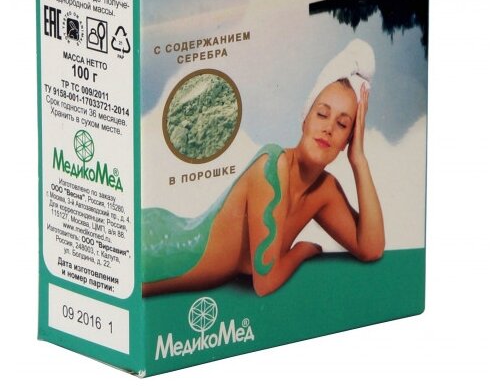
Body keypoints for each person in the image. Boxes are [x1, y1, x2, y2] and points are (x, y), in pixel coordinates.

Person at [142, 39, 385, 297]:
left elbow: (371, 248)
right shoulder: (272, 166)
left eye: (343, 124)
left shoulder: (325, 191)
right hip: (159, 246)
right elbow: (265, 283)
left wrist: (359, 160)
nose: (328, 128)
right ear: (305, 119)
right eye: (322, 114)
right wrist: (300, 251)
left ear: (348, 139)